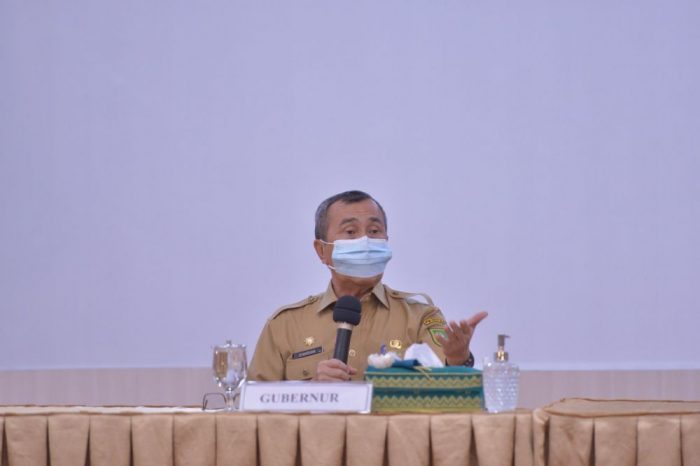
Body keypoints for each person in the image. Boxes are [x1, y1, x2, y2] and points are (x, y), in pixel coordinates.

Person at [248, 190, 488, 382]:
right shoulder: (285, 325)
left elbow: (448, 394)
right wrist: (311, 392)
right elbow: (252, 409)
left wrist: (458, 359)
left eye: (374, 231)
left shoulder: (419, 317)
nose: (365, 241)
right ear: (321, 250)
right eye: (350, 232)